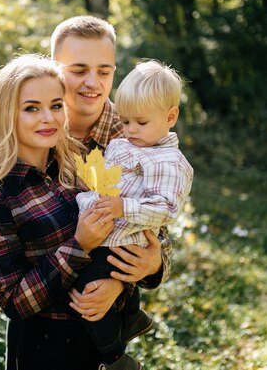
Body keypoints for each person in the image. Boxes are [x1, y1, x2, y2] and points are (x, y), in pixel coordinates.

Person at [0, 54, 124, 369]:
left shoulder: (77, 171)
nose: (48, 118)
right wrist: (79, 246)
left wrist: (118, 285)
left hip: (104, 344)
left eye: (56, 105)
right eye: (31, 108)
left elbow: (122, 235)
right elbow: (13, 300)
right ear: (6, 115)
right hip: (47, 351)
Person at [50, 16, 171, 331]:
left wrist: (125, 280)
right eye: (78, 71)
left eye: (104, 71)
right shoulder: (38, 131)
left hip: (106, 314)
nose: (93, 82)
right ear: (54, 69)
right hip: (44, 310)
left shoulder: (136, 133)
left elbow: (159, 224)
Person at [72, 60, 194, 369]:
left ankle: (116, 359)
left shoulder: (167, 161)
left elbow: (166, 208)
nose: (129, 130)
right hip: (106, 230)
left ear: (170, 117)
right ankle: (131, 316)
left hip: (123, 236)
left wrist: (121, 206)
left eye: (140, 122)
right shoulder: (126, 142)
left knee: (87, 291)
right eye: (125, 121)